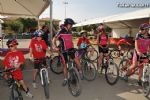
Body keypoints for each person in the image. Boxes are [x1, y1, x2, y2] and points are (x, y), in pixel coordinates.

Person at [53, 18, 83, 86]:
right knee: (64, 65)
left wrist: (72, 45)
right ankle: (65, 79)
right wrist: (55, 47)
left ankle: (80, 72)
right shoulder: (61, 31)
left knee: (77, 61)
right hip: (63, 51)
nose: (71, 26)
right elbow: (54, 39)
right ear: (66, 24)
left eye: (72, 25)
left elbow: (70, 40)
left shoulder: (70, 31)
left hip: (71, 49)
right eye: (70, 25)